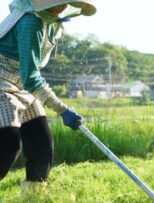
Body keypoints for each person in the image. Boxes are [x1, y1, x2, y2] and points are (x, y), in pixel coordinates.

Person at [0, 0, 96, 190]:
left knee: (41, 145)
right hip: (2, 84)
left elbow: (29, 76)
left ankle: (33, 198)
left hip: (23, 87)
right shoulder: (30, 22)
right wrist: (62, 110)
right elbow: (32, 78)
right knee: (8, 146)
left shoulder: (51, 22)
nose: (62, 5)